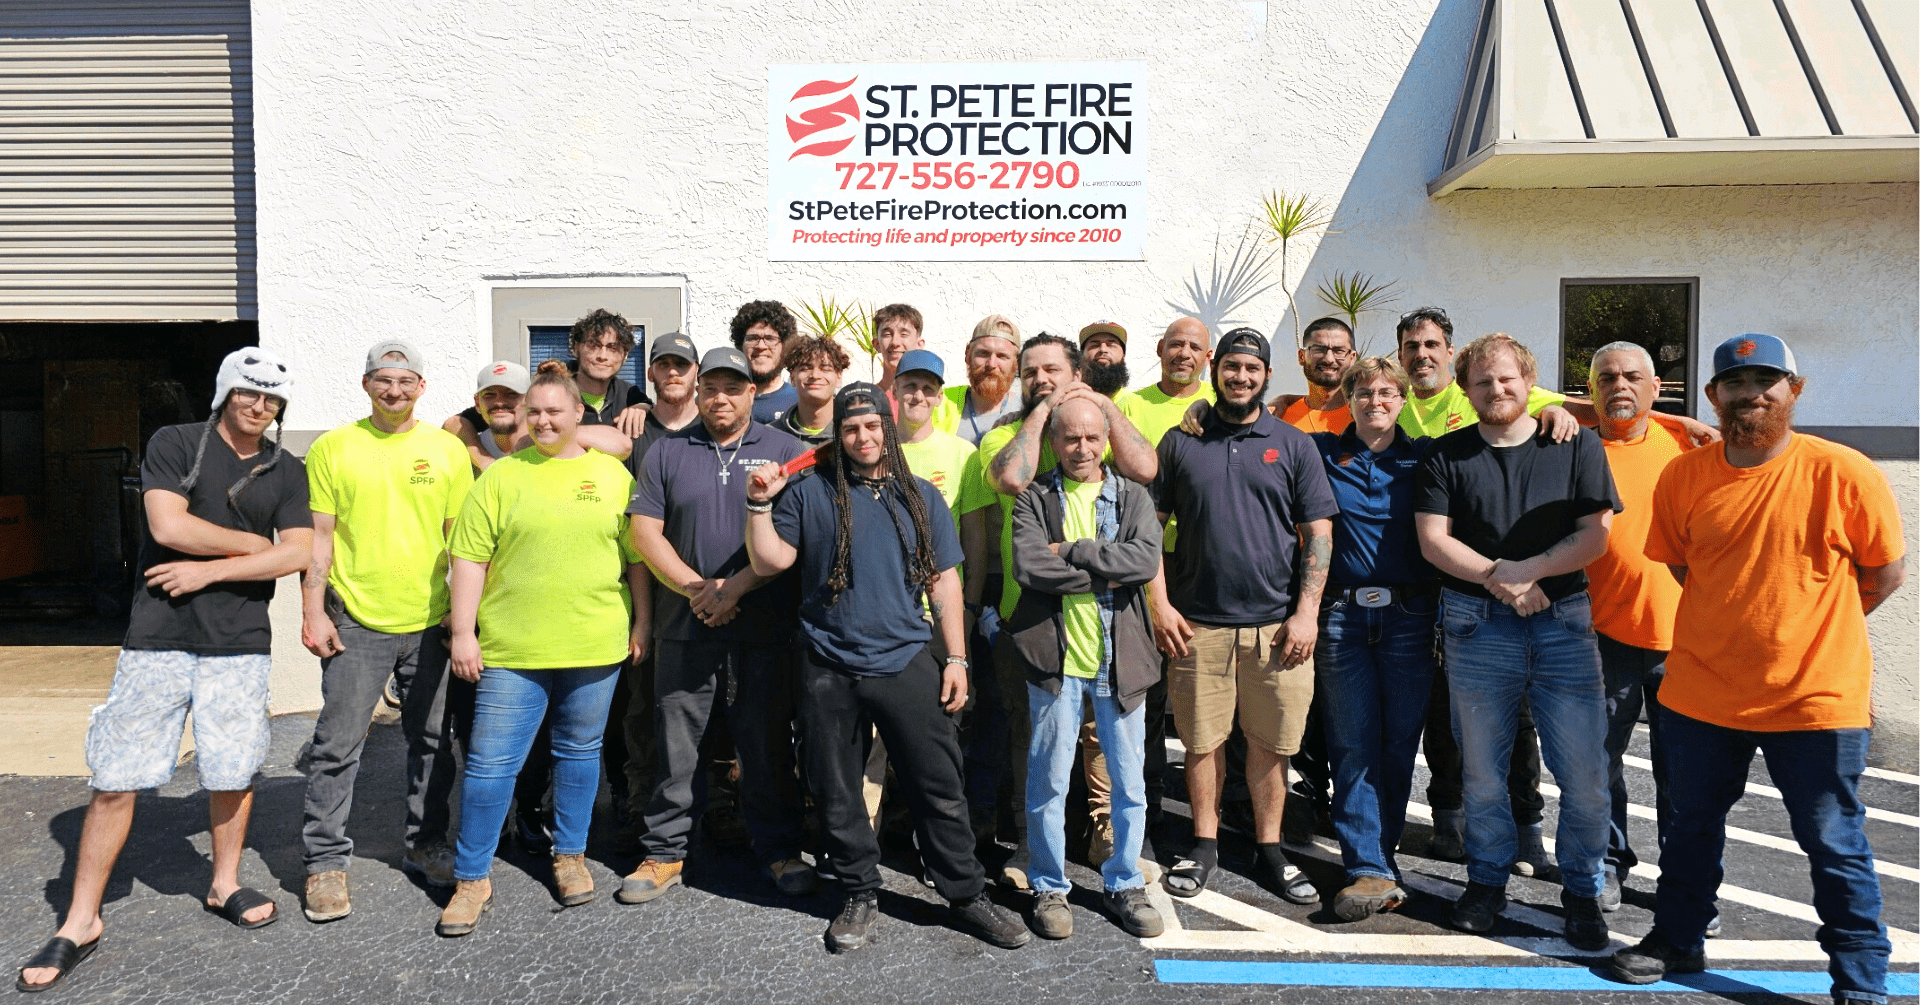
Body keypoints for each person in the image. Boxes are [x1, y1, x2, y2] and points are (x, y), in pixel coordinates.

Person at [1610, 334, 1906, 1003]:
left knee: (1834, 842)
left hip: (1815, 701)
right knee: (1689, 826)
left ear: (1793, 391)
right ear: (1714, 397)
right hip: (1701, 694)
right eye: (1736, 382)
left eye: (1767, 381)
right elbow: (1685, 566)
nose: (1752, 394)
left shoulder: (1844, 472)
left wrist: (1808, 627)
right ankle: (1679, 936)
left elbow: (1884, 574)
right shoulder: (1684, 476)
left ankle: (1860, 979)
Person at [17, 349, 309, 992]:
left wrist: (212, 569)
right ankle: (80, 919)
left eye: (270, 400)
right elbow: (167, 524)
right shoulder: (177, 443)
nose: (257, 407)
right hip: (158, 638)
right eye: (246, 394)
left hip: (239, 643)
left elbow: (299, 553)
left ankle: (223, 882)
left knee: (231, 771)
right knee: (118, 778)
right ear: (225, 394)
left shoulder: (286, 469)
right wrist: (257, 546)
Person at [744, 382, 1030, 953]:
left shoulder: (920, 495)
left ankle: (965, 893)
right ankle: (858, 889)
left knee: (938, 784)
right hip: (827, 662)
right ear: (839, 435)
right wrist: (759, 504)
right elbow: (770, 560)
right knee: (836, 788)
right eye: (850, 428)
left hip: (906, 658)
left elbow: (944, 579)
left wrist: (956, 658)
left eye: (872, 425)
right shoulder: (809, 492)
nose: (862, 436)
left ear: (887, 428)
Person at [1413, 333, 1618, 950]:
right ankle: (1486, 880)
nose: (1495, 390)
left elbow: (1595, 537)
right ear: (1465, 388)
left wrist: (1531, 572)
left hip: (1562, 623)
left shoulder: (1576, 443)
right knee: (1482, 773)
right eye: (1481, 382)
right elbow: (1433, 540)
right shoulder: (1443, 455)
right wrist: (1503, 580)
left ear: (1529, 380)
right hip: (1477, 625)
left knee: (1583, 774)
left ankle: (1582, 891)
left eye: (1505, 379)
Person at [435, 361, 647, 936]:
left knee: (579, 756)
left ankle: (570, 856)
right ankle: (472, 876)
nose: (545, 420)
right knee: (489, 765)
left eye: (557, 411)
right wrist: (462, 632)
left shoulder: (611, 477)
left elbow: (636, 561)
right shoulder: (503, 477)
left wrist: (642, 625)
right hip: (512, 649)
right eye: (537, 411)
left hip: (594, 643)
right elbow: (469, 559)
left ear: (580, 414)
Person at [620, 346, 815, 905]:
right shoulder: (665, 452)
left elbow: (799, 538)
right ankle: (663, 853)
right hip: (685, 625)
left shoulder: (788, 451)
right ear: (698, 391)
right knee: (675, 744)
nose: (721, 398)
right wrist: (696, 589)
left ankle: (778, 848)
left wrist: (735, 589)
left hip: (765, 628)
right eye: (713, 387)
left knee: (766, 743)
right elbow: (645, 534)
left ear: (754, 392)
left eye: (735, 388)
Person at [1151, 327, 1336, 900]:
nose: (1241, 377)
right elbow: (1147, 533)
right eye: (1231, 366)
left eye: (1252, 369)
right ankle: (1203, 847)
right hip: (1197, 624)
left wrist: (1306, 613)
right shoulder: (1180, 441)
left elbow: (1319, 534)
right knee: (1202, 743)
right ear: (1214, 370)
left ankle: (1271, 849)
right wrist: (1159, 604)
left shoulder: (1293, 443)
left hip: (1276, 628)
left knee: (1271, 744)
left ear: (1267, 376)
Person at [297, 340, 476, 922]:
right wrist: (312, 608)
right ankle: (325, 862)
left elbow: (462, 541)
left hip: (430, 621)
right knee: (336, 746)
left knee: (432, 742)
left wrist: (461, 614)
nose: (394, 391)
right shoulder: (333, 448)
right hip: (356, 619)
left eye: (405, 381)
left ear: (421, 386)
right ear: (366, 383)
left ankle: (427, 844)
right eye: (383, 380)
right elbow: (318, 536)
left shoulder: (446, 450)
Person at [974, 333, 1158, 888]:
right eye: (1030, 373)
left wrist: (1076, 555)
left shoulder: (1118, 468)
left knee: (1116, 762)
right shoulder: (1011, 439)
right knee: (1037, 756)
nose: (1041, 380)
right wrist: (1045, 416)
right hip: (1032, 626)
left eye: (1052, 370)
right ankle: (1036, 858)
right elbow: (1019, 508)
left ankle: (1112, 853)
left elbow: (1143, 487)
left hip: (1112, 639)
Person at [1008, 396, 1165, 940]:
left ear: (1106, 440)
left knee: (1129, 784)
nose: (1082, 448)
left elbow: (1144, 562)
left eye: (1092, 438)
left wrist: (1071, 551)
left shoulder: (1133, 496)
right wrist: (1106, 568)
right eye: (1070, 438)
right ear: (1054, 442)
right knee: (1048, 782)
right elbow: (1029, 565)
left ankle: (1124, 882)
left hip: (1119, 661)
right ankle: (1049, 886)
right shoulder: (1033, 497)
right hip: (1056, 663)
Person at [1308, 356, 1437, 920]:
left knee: (1399, 741)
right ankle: (1367, 866)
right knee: (1351, 742)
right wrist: (1198, 409)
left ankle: (1380, 856)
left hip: (1410, 617)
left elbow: (1512, 416)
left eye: (1388, 392)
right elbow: (1251, 419)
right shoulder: (1321, 453)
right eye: (1364, 392)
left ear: (1403, 399)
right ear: (1348, 399)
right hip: (1342, 618)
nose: (1376, 401)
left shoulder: (1428, 454)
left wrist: (1563, 408)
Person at [1582, 341, 1694, 913]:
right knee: (1598, 762)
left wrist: (1679, 420)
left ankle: (1683, 881)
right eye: (1606, 378)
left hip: (1687, 639)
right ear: (1590, 390)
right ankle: (1607, 863)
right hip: (1603, 636)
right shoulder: (1573, 445)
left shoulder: (1688, 445)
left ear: (1656, 388)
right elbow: (1520, 402)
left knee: (1685, 771)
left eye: (1632, 377)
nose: (1619, 386)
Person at [567, 308, 650, 436]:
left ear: (625, 354)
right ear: (576, 348)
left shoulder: (630, 396)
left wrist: (644, 408)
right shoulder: (555, 393)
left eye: (613, 348)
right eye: (593, 345)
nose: (602, 355)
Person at [943, 315, 1023, 444]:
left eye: (1002, 356)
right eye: (983, 353)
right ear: (967, 354)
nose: (991, 364)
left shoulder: (1027, 411)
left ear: (1017, 363)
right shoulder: (940, 403)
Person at [1270, 317, 1356, 435]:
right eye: (1319, 349)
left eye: (1339, 351)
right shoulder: (1279, 417)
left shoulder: (1366, 414)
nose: (1329, 359)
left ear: (1352, 358)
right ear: (1302, 356)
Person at [444, 360, 531, 471]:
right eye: (489, 394)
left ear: (530, 399)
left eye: (511, 394)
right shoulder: (464, 457)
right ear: (477, 403)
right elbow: (453, 423)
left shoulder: (548, 445)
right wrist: (483, 460)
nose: (499, 402)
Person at [770, 335, 849, 448]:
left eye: (825, 369)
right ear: (792, 377)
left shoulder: (853, 432)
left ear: (839, 377)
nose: (815, 375)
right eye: (805, 368)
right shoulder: (772, 436)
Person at [732, 299, 800, 423]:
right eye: (753, 338)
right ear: (740, 345)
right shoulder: (727, 400)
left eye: (770, 338)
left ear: (785, 346)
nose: (761, 346)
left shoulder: (799, 403)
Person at [871, 303, 925, 393]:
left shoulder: (935, 401)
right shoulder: (866, 401)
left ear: (919, 344)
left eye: (904, 334)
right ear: (876, 344)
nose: (895, 342)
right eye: (887, 334)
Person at [1079, 321, 1130, 397]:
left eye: (1111, 345)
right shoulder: (1068, 400)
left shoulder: (1137, 404)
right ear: (1082, 355)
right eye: (1095, 345)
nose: (1103, 349)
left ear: (1123, 355)